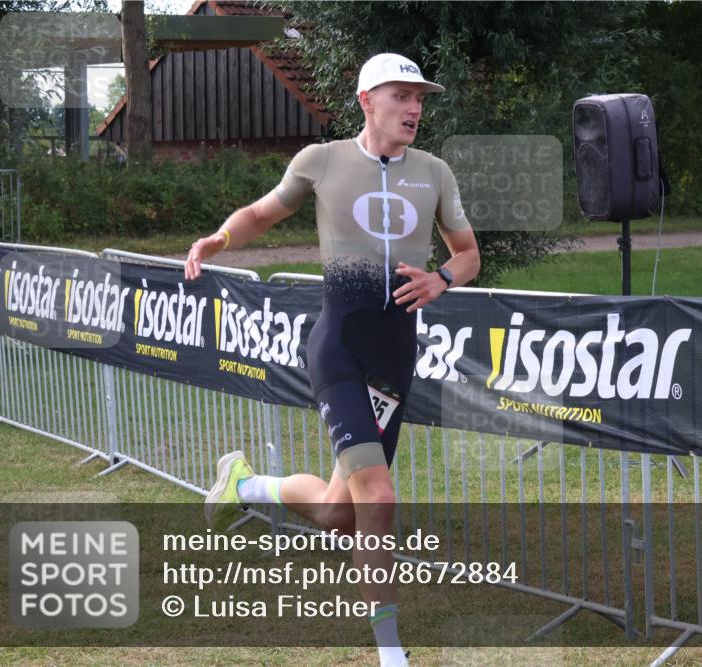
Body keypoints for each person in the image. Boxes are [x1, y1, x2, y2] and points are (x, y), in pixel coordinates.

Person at [184, 53, 480, 667]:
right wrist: (219, 238)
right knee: (379, 495)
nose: (415, 108)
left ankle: (248, 482)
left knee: (335, 512)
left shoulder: (434, 172)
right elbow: (263, 213)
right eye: (403, 96)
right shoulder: (321, 160)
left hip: (394, 360)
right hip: (339, 348)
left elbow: (468, 251)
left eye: (420, 98)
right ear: (367, 98)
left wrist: (443, 279)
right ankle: (392, 655)